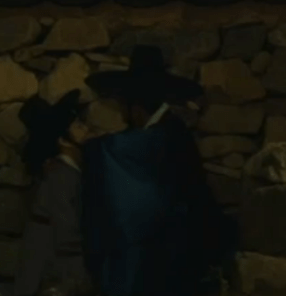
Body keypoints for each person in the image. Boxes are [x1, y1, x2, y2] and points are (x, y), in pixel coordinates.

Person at [80, 45, 238, 296]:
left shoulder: (164, 136)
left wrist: (86, 146)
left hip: (165, 255)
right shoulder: (168, 133)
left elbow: (110, 152)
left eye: (122, 106)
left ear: (135, 107)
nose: (121, 114)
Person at [14, 89, 95, 296]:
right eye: (78, 126)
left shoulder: (68, 172)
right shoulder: (60, 176)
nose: (86, 130)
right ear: (63, 140)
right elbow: (67, 236)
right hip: (49, 278)